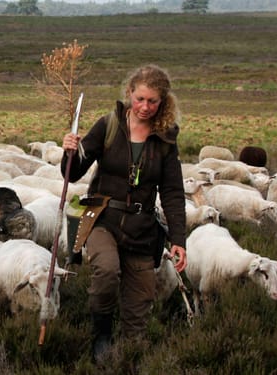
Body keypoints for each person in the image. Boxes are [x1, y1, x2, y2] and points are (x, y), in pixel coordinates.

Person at [61, 64, 187, 362]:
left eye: (152, 101)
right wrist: (69, 152)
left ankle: (131, 354)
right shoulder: (108, 126)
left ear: (163, 102)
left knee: (140, 301)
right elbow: (72, 174)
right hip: (103, 218)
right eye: (140, 99)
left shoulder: (165, 139)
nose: (145, 107)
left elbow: (172, 192)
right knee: (106, 271)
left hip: (142, 228)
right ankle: (101, 335)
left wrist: (178, 239)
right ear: (130, 93)